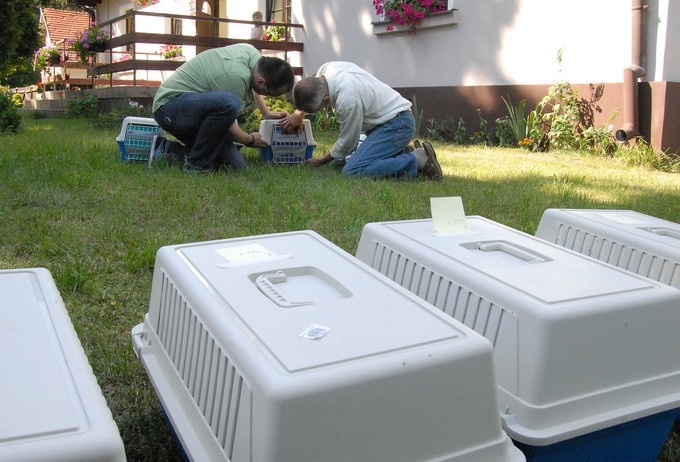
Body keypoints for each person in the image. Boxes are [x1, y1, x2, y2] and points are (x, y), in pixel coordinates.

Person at [280, 61, 442, 180]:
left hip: (398, 125)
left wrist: (321, 160)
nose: (322, 110)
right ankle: (400, 152)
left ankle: (416, 160)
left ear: (326, 98)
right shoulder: (328, 68)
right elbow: (312, 87)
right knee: (339, 163)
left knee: (352, 172)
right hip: (384, 124)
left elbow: (347, 142)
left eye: (319, 108)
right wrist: (299, 114)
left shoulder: (347, 100)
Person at [152, 43, 294, 173]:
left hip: (196, 109)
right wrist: (250, 139)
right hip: (170, 107)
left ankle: (166, 149)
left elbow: (255, 90)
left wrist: (266, 113)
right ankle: (196, 166)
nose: (268, 96)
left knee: (235, 166)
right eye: (269, 93)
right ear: (261, 81)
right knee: (229, 102)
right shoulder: (234, 76)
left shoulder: (254, 59)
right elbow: (230, 128)